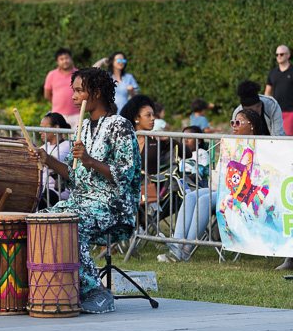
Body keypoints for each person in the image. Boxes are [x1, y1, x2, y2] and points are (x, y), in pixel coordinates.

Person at [32, 67, 141, 314]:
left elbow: (126, 173)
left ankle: (95, 290)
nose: (74, 97)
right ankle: (54, 289)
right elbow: (76, 177)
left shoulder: (120, 125)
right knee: (41, 221)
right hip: (82, 201)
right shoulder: (80, 128)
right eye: (74, 91)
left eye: (80, 91)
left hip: (113, 205)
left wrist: (90, 160)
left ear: (97, 92)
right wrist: (47, 160)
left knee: (71, 226)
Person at [159, 109, 267, 263]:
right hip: (226, 188)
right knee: (191, 196)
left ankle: (186, 250)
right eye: (232, 122)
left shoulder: (261, 146)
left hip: (244, 194)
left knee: (204, 200)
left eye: (238, 122)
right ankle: (177, 244)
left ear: (252, 126)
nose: (234, 126)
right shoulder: (234, 143)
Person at [120, 94, 170, 177]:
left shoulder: (156, 138)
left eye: (153, 115)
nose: (153, 118)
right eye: (148, 115)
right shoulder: (123, 139)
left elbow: (187, 153)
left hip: (151, 188)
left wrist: (168, 139)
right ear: (136, 118)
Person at [37, 112, 71, 209]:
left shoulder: (67, 145)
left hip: (57, 192)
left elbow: (53, 161)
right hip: (43, 189)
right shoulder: (44, 146)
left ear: (56, 128)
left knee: (37, 196)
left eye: (43, 128)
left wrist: (43, 159)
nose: (40, 132)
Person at [44, 48, 79, 128]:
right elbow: (47, 95)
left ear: (71, 59)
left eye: (67, 58)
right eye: (61, 59)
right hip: (57, 114)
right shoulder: (51, 75)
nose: (65, 61)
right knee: (57, 139)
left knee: (76, 139)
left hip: (76, 114)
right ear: (57, 62)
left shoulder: (78, 74)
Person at [265, 45, 293, 136]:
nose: (279, 56)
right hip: (276, 112)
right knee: (276, 137)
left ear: (288, 55)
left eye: (281, 54)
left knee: (288, 137)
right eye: (277, 54)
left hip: (290, 111)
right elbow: (268, 92)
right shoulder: (272, 72)